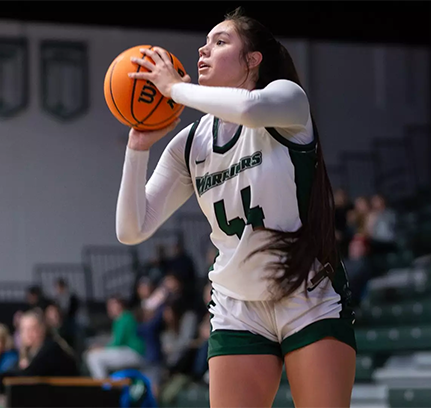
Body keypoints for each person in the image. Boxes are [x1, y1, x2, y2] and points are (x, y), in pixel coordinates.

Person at [116, 8, 356, 408]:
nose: (203, 49)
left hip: (307, 295)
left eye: (220, 42)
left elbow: (246, 109)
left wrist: (174, 89)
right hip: (238, 305)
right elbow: (131, 229)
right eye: (206, 41)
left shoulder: (287, 100)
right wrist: (137, 148)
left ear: (253, 59)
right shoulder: (190, 143)